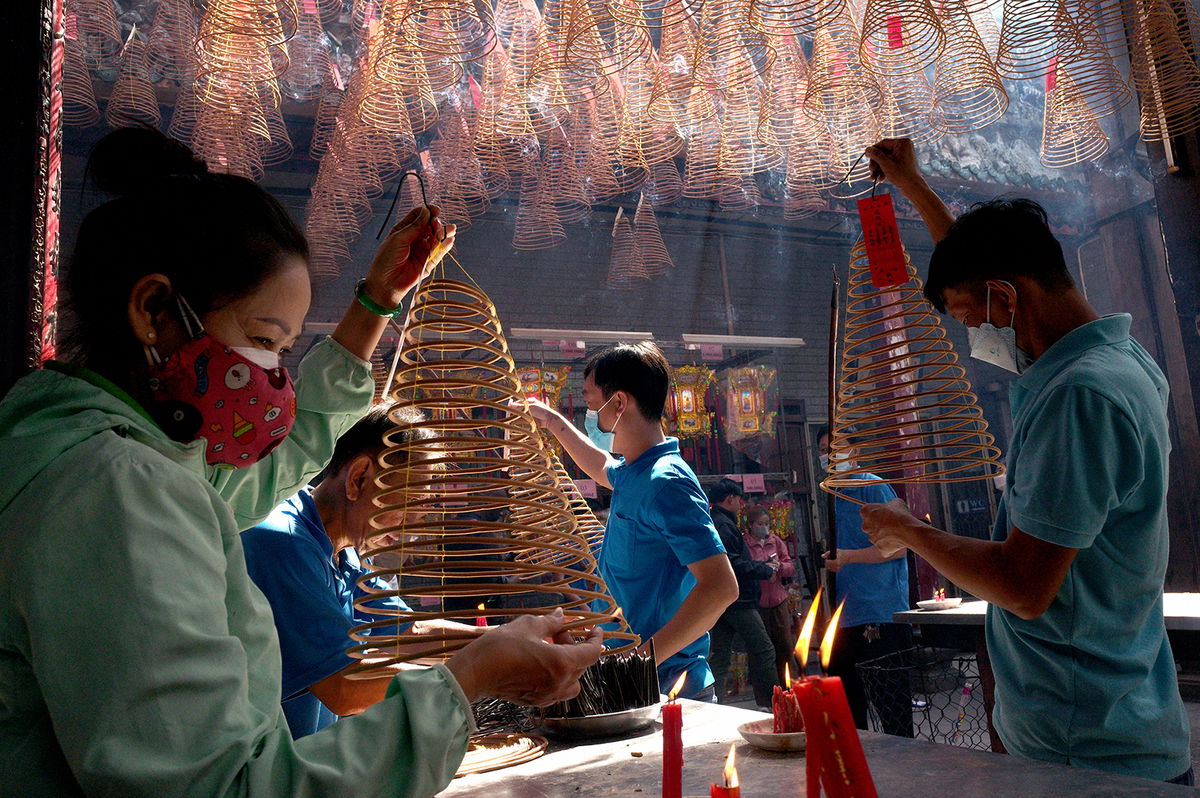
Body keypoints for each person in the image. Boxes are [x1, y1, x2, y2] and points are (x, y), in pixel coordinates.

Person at [0, 127, 602, 796]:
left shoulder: (112, 460)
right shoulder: (116, 489)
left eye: (284, 354)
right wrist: (466, 682)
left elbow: (288, 453)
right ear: (154, 311)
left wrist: (377, 301)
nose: (274, 380)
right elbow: (221, 785)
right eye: (264, 342)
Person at [859, 137, 1192, 784]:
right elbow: (985, 275)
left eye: (970, 318)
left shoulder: (1078, 398)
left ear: (1010, 300)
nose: (973, 338)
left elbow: (1023, 587)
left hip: (1086, 754)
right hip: (1109, 725)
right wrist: (916, 188)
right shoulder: (1120, 360)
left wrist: (909, 530)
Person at [241, 403, 487, 738]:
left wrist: (502, 640)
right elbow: (346, 687)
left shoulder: (345, 554)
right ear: (359, 478)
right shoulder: (281, 541)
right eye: (409, 502)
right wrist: (483, 672)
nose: (415, 524)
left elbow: (404, 632)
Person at [523, 342, 739, 699]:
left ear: (619, 403)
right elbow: (600, 465)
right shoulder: (635, 472)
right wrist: (552, 421)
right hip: (631, 678)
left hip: (671, 686)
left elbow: (720, 588)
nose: (590, 416)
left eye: (592, 405)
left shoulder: (666, 481)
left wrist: (640, 660)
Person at [817, 427, 913, 737]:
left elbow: (899, 547)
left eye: (835, 448)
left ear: (855, 452)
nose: (828, 456)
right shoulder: (834, 495)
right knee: (850, 712)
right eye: (822, 449)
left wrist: (849, 557)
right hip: (846, 616)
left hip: (880, 613)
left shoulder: (871, 486)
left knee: (891, 710)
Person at [706, 479, 780, 709]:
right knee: (764, 648)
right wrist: (763, 570)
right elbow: (732, 562)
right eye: (739, 499)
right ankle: (773, 704)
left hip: (722, 599)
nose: (741, 504)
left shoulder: (716, 521)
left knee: (719, 655)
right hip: (739, 600)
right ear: (730, 499)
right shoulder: (724, 525)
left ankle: (711, 703)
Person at [742, 504, 799, 687]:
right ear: (750, 525)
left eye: (767, 523)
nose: (764, 528)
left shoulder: (775, 541)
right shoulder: (745, 544)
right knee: (761, 652)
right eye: (760, 523)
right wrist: (762, 569)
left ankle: (790, 687)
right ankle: (766, 697)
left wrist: (779, 566)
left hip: (778, 601)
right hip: (757, 604)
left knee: (785, 647)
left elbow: (790, 568)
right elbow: (744, 569)